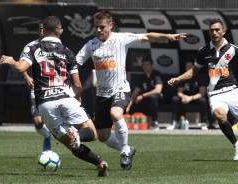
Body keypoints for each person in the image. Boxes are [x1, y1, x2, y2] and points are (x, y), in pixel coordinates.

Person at [75, 10, 186, 170]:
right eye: (96, 27)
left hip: (120, 89)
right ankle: (126, 149)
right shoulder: (91, 45)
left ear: (110, 25)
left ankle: (125, 151)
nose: (99, 30)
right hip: (102, 95)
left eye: (102, 27)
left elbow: (147, 36)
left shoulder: (121, 39)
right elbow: (75, 62)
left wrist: (168, 36)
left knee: (116, 114)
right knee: (103, 136)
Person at [0, 16, 108, 176]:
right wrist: (77, 100)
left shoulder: (33, 48)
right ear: (61, 31)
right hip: (66, 98)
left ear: (43, 30)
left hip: (45, 104)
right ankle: (82, 140)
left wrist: (11, 61)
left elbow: (21, 67)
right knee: (92, 133)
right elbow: (77, 84)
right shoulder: (68, 52)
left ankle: (100, 163)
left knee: (71, 144)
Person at [168, 18, 238, 162]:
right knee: (220, 115)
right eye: (211, 30)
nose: (214, 32)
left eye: (217, 29)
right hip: (215, 92)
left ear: (223, 31)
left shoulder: (233, 49)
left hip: (233, 90)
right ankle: (236, 145)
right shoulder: (203, 51)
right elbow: (194, 71)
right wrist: (178, 79)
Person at [20, 21, 51, 151]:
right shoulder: (31, 46)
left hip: (55, 88)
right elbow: (21, 64)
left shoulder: (56, 45)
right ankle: (47, 136)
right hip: (38, 88)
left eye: (45, 29)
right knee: (38, 122)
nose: (42, 31)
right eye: (40, 29)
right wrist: (27, 77)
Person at [166, 60, 208, 130]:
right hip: (185, 99)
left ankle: (204, 123)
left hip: (195, 98)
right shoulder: (183, 77)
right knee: (175, 99)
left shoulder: (200, 77)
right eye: (187, 67)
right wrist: (184, 97)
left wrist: (190, 98)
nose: (188, 68)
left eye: (190, 67)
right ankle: (174, 122)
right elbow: (179, 92)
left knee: (203, 100)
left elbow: (202, 93)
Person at [126, 57, 165, 130]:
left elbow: (158, 90)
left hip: (159, 98)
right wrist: (128, 106)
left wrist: (143, 95)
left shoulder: (156, 74)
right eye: (143, 65)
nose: (145, 66)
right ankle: (131, 122)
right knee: (137, 101)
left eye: (147, 64)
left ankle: (155, 122)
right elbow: (135, 93)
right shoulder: (142, 77)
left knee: (152, 97)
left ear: (152, 65)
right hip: (147, 99)